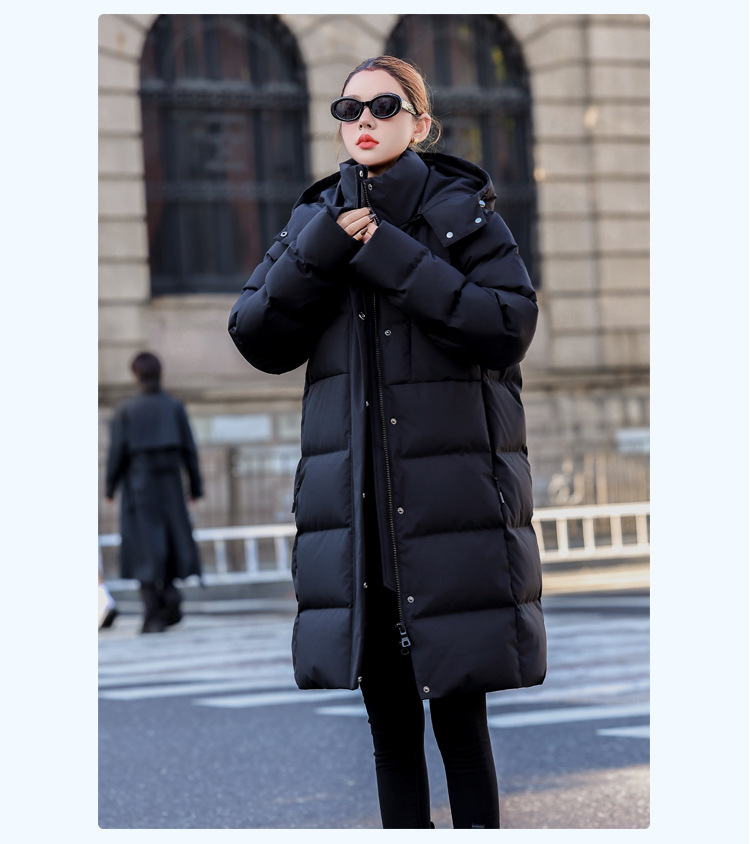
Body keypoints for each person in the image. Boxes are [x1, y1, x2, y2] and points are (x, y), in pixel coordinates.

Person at [228, 56, 546, 829]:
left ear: (420, 123)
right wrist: (322, 251)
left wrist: (392, 254)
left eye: (383, 106)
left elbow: (508, 326)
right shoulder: (317, 217)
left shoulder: (463, 212)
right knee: (390, 732)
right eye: (350, 109)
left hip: (449, 513)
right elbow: (256, 335)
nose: (364, 120)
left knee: (461, 726)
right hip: (359, 520)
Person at [105, 352, 203, 634]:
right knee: (170, 541)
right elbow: (190, 450)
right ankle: (170, 595)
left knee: (143, 549)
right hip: (170, 484)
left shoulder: (126, 410)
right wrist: (195, 486)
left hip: (139, 486)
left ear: (136, 375)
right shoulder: (174, 407)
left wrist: (110, 487)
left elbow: (117, 453)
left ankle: (153, 614)